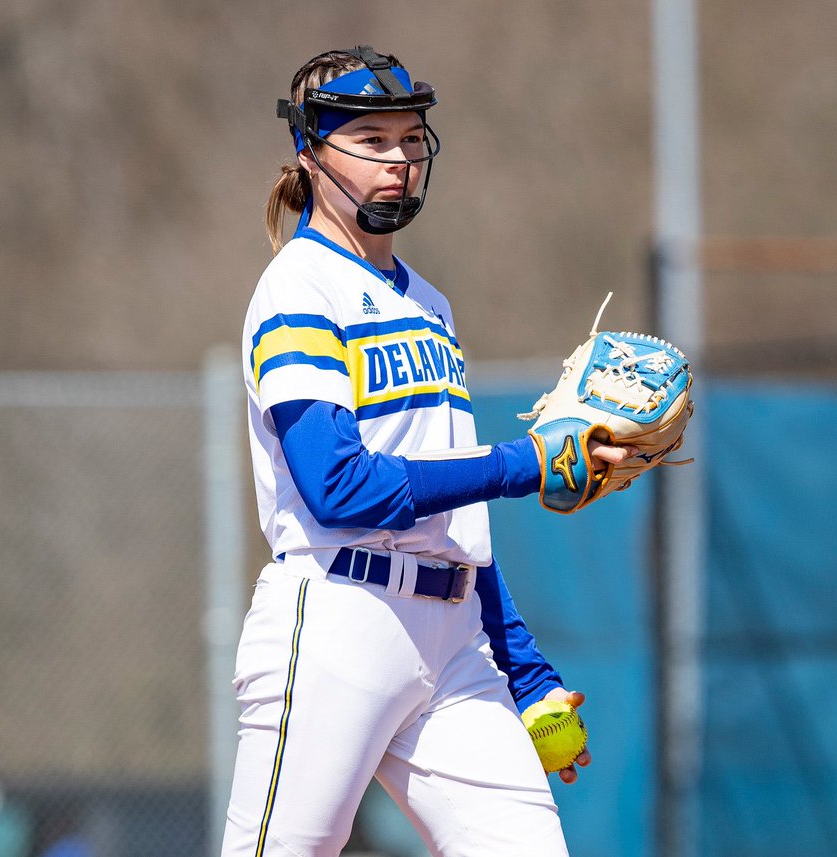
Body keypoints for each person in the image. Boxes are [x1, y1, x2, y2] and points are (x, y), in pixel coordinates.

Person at [224, 46, 635, 857]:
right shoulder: (301, 287)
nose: (400, 160)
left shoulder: (429, 304)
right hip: (340, 611)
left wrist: (526, 669)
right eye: (371, 140)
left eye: (411, 140)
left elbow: (459, 521)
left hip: (451, 640)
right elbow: (338, 487)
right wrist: (526, 462)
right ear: (310, 155)